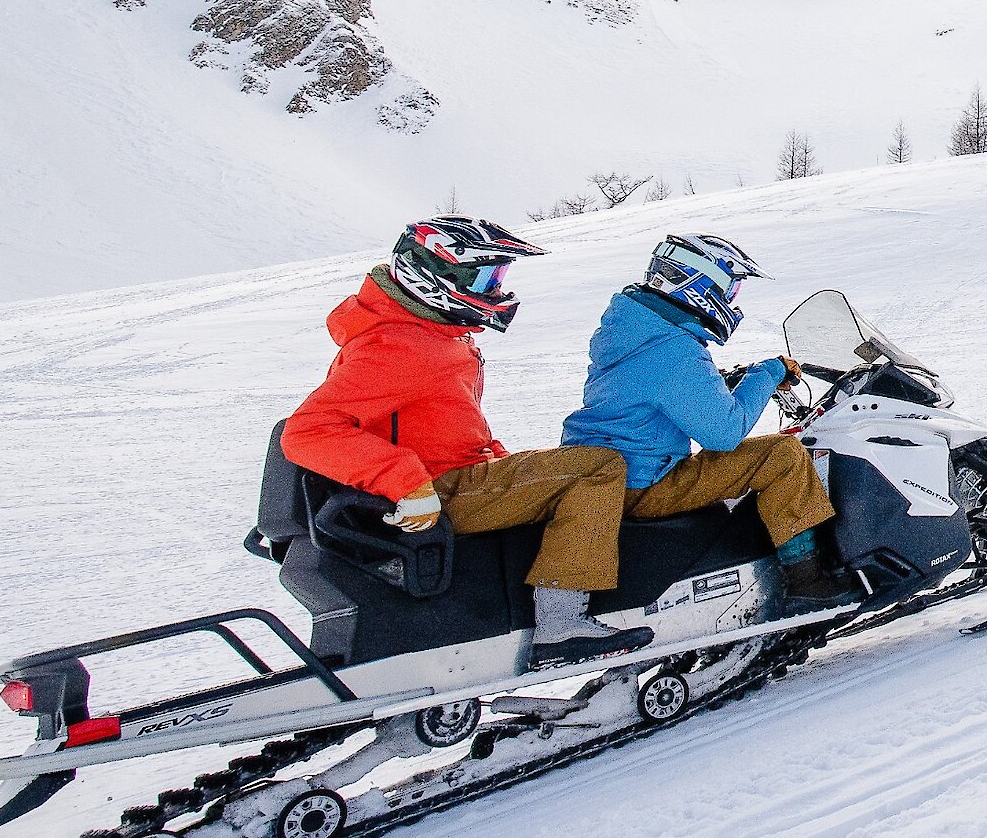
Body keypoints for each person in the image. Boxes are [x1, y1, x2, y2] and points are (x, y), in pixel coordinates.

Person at [281, 215, 655, 670]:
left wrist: (502, 461)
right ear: (434, 275)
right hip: (436, 490)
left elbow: (446, 425)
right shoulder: (399, 344)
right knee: (597, 468)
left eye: (498, 276)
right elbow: (307, 432)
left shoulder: (428, 334)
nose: (496, 289)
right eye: (486, 276)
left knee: (571, 468)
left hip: (452, 476)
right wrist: (406, 484)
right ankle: (561, 626)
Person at [559, 234, 858, 617]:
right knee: (781, 454)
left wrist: (726, 381)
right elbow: (725, 433)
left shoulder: (635, 329)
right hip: (645, 485)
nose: (731, 300)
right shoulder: (674, 349)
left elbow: (656, 390)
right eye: (729, 288)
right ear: (698, 284)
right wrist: (768, 373)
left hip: (614, 474)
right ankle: (809, 580)